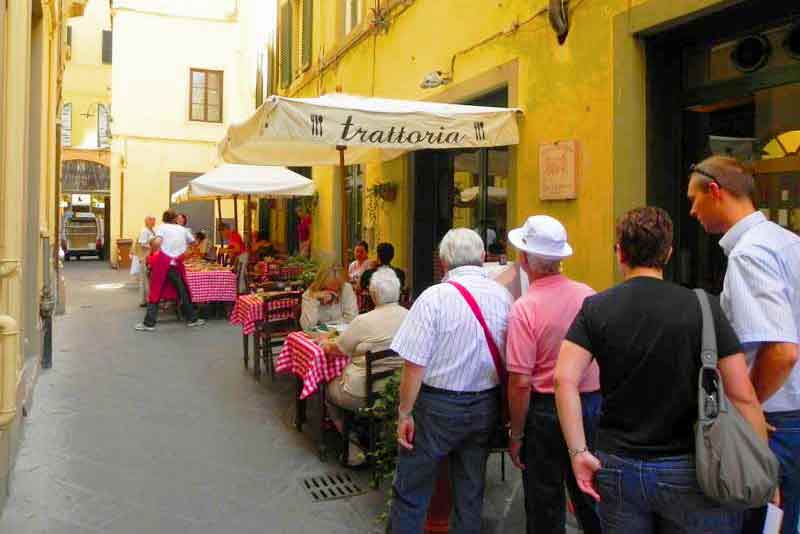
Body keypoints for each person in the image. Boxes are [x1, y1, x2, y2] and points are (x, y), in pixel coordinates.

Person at [554, 207, 768, 534]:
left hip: (619, 466)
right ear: (668, 253)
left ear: (619, 252)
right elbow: (742, 396)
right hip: (693, 466)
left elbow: (564, 379)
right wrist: (760, 463)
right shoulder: (703, 307)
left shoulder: (596, 308)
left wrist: (578, 451)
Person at [687, 155, 800, 534]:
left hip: (777, 420)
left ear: (715, 191)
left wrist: (747, 411)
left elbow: (783, 351)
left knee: (760, 522)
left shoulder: (750, 253)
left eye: (693, 199)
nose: (691, 211)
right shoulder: (786, 242)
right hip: (790, 416)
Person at [389, 228, 513, 534]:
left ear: (443, 262)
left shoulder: (433, 299)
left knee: (411, 491)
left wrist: (405, 412)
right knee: (470, 493)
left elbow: (414, 365)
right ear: (484, 258)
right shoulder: (504, 297)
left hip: (435, 407)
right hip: (485, 404)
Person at [505, 215, 600, 534]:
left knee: (544, 504)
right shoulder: (588, 294)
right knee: (592, 497)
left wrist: (516, 435)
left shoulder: (525, 307)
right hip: (590, 405)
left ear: (523, 259)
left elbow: (520, 382)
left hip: (546, 411)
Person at [323, 269, 408, 465]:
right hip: (398, 391)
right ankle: (383, 436)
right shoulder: (410, 316)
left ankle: (353, 448)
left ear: (374, 294)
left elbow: (338, 349)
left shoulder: (363, 321)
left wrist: (325, 345)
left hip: (361, 393)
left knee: (328, 391)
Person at [135, 210, 205, 331]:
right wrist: (185, 251)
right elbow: (194, 242)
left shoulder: (161, 227)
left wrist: (153, 245)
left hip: (162, 262)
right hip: (177, 263)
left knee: (156, 292)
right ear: (175, 219)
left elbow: (157, 242)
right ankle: (192, 318)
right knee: (183, 291)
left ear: (163, 219)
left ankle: (149, 323)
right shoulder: (183, 230)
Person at [300, 262, 359, 331]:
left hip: (342, 332)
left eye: (338, 289)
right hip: (319, 336)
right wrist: (314, 300)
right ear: (320, 284)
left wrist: (331, 326)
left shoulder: (346, 288)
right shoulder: (309, 294)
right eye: (328, 288)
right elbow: (307, 327)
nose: (334, 293)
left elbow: (352, 318)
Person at [134, 215, 156, 307]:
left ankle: (145, 300)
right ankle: (146, 300)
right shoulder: (144, 231)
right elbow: (142, 243)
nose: (154, 222)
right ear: (147, 221)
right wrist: (153, 246)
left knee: (146, 279)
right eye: (152, 220)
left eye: (154, 220)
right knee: (145, 279)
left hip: (149, 256)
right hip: (145, 257)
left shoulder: (151, 230)